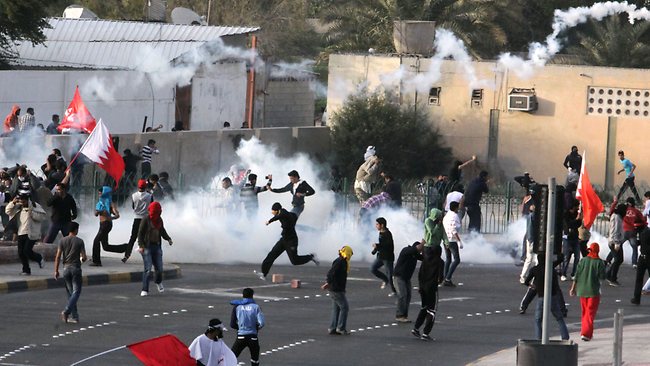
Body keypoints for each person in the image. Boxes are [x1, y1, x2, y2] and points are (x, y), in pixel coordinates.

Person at [257, 202, 317, 280]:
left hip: (291, 241)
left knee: (295, 261)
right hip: (283, 240)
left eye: (273, 211)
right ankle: (264, 273)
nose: (272, 212)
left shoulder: (283, 213)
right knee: (272, 255)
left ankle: (311, 257)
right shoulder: (283, 213)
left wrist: (269, 221)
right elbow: (282, 216)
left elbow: (279, 216)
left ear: (277, 210)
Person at [569, 243, 606, 341]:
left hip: (581, 290)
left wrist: (573, 288)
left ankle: (584, 332)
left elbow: (576, 275)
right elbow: (602, 277)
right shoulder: (599, 262)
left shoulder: (583, 260)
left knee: (585, 312)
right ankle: (586, 333)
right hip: (593, 291)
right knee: (590, 313)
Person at [528, 255, 570, 341]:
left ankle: (539, 338)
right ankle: (565, 337)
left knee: (538, 320)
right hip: (552, 296)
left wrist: (532, 286)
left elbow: (526, 281)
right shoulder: (551, 270)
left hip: (541, 296)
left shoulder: (535, 269)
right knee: (559, 318)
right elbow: (555, 285)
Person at [54, 222, 87, 324]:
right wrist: (83, 259)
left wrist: (56, 270)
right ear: (76, 230)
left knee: (70, 293)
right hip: (76, 268)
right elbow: (84, 257)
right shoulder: (80, 241)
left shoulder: (62, 240)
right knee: (76, 292)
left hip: (65, 269)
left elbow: (58, 256)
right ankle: (66, 311)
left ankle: (75, 317)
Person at [137, 201, 173, 296]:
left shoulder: (159, 220)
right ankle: (145, 289)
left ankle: (158, 281)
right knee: (148, 269)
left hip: (156, 246)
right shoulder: (146, 219)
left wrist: (168, 238)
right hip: (147, 247)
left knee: (159, 268)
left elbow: (162, 231)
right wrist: (141, 246)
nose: (155, 213)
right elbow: (140, 234)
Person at [5, 194, 46, 275]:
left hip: (32, 232)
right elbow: (8, 211)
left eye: (23, 201)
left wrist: (32, 213)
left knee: (27, 250)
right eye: (20, 201)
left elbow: (42, 217)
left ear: (27, 200)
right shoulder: (18, 207)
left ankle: (39, 258)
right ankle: (26, 270)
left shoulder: (35, 206)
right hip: (21, 232)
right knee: (21, 252)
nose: (22, 203)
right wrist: (13, 203)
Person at [411, 244, 444, 341]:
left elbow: (420, 274)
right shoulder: (440, 262)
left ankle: (416, 328)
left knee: (424, 307)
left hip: (422, 287)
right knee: (432, 311)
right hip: (431, 288)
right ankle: (426, 333)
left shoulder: (425, 260)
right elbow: (440, 278)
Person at [90, 186, 128, 266]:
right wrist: (98, 212)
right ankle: (125, 247)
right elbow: (96, 214)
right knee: (105, 246)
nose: (99, 195)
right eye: (99, 194)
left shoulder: (110, 203)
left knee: (96, 241)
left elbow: (117, 215)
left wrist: (110, 217)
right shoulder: (100, 203)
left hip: (106, 224)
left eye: (101, 193)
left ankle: (96, 261)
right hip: (102, 224)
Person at [322, 245, 354, 335]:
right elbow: (331, 273)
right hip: (336, 289)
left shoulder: (341, 261)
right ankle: (341, 328)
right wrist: (328, 283)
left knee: (336, 308)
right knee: (344, 307)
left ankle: (333, 328)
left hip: (336, 289)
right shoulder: (340, 262)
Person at [230, 288, 265, 365]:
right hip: (253, 336)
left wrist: (240, 328)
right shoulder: (256, 307)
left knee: (231, 357)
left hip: (241, 336)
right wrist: (255, 328)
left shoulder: (237, 307)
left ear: (243, 295)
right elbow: (261, 323)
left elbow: (232, 324)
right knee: (255, 359)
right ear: (252, 296)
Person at [124, 179, 153, 263]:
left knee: (133, 237)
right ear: (145, 186)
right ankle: (147, 257)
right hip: (146, 218)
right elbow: (151, 206)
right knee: (146, 238)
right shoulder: (149, 196)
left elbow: (133, 206)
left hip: (136, 218)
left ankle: (127, 255)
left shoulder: (134, 195)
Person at [393, 242, 423, 322]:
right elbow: (416, 249)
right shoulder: (406, 250)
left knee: (408, 296)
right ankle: (399, 315)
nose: (420, 252)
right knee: (402, 295)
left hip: (406, 278)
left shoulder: (415, 255)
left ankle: (404, 315)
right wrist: (425, 242)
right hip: (399, 277)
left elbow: (425, 258)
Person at [370, 217, 396, 296]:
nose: (376, 226)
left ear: (382, 225)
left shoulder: (388, 234)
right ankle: (385, 280)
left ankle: (395, 291)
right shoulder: (381, 232)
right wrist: (376, 249)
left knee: (390, 275)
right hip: (381, 257)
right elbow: (382, 245)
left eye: (377, 224)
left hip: (387, 258)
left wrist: (377, 245)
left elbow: (388, 245)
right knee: (373, 269)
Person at [442, 201, 463, 286]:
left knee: (448, 259)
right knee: (457, 260)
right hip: (452, 240)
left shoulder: (447, 215)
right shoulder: (454, 216)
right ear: (455, 208)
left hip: (446, 239)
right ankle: (447, 278)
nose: (459, 209)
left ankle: (445, 277)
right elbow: (453, 229)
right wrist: (459, 241)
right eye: (458, 207)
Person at [606, 203, 627, 286]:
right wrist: (617, 243)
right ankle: (612, 278)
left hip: (617, 241)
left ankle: (609, 275)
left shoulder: (618, 217)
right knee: (618, 259)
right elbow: (615, 231)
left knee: (619, 259)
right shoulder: (616, 217)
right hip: (614, 242)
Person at [561, 201, 581, 281]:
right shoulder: (566, 214)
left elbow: (578, 224)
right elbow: (568, 225)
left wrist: (578, 219)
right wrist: (576, 220)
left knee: (577, 257)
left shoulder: (577, 214)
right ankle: (563, 273)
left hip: (575, 237)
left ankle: (574, 273)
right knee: (566, 257)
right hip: (567, 238)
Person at [632, 227, 650, 305]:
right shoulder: (645, 232)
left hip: (642, 257)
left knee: (639, 279)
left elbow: (637, 243)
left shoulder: (643, 233)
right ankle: (636, 298)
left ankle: (636, 298)